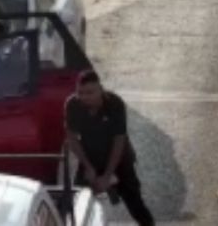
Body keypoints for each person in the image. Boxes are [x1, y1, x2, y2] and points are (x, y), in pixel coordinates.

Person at [66, 70, 155, 226]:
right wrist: (88, 167)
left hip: (119, 160)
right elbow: (72, 139)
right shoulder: (72, 105)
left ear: (101, 89)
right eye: (80, 92)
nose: (84, 97)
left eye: (90, 92)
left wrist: (107, 175)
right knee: (75, 206)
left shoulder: (115, 104)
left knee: (136, 205)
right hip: (90, 159)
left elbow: (119, 141)